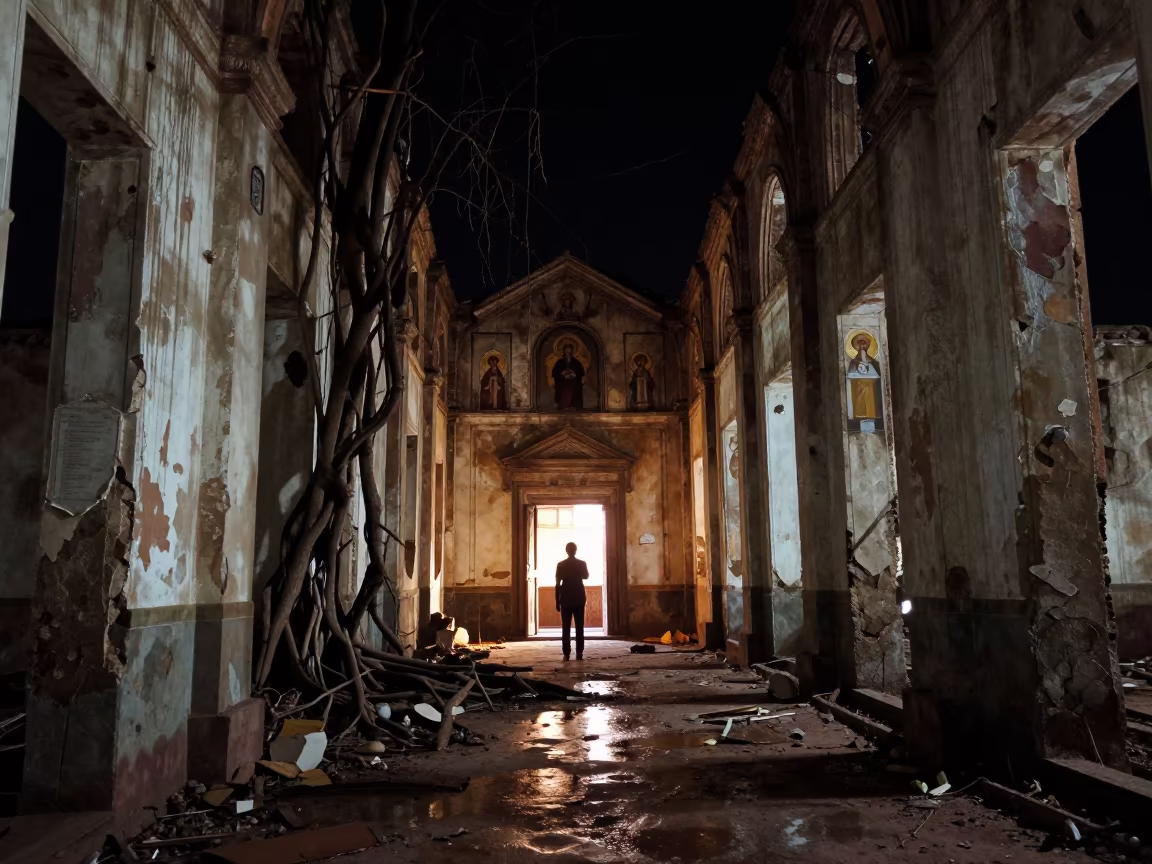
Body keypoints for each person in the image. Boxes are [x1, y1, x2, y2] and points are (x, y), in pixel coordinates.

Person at [554, 541, 589, 660]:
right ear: (576, 550)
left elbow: (557, 584)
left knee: (566, 627)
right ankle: (579, 652)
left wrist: (556, 601)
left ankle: (566, 653)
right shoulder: (582, 563)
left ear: (566, 550)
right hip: (579, 596)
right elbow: (586, 576)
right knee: (579, 626)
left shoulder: (561, 565)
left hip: (566, 598)